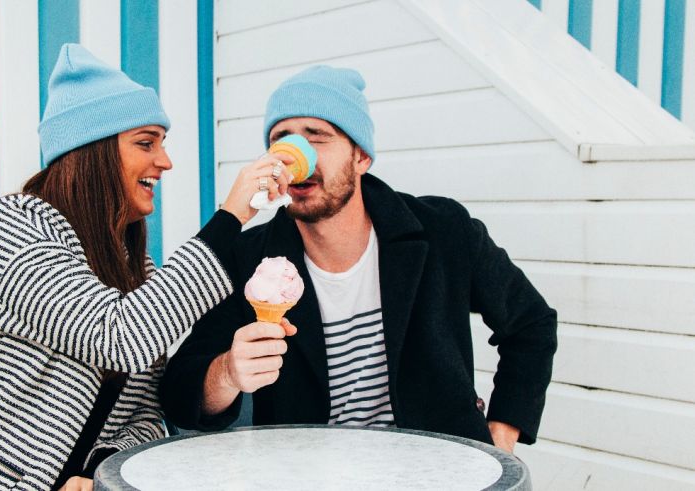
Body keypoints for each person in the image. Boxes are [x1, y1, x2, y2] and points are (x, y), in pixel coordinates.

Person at [0, 44, 293, 491]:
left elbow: (144, 409)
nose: (165, 161)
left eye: (163, 143)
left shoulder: (131, 264)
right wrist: (231, 216)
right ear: (92, 151)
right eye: (146, 142)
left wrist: (97, 468)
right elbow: (118, 337)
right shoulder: (11, 227)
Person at [160, 66, 558, 452]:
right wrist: (229, 372)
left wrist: (501, 436)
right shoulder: (249, 258)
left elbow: (530, 324)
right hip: (305, 477)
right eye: (282, 139)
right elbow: (180, 393)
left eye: (317, 137)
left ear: (361, 157)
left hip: (437, 472)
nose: (295, 154)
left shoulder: (442, 231)